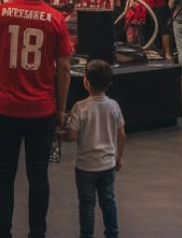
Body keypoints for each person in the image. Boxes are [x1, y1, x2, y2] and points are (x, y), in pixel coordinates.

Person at [0, 0, 72, 238]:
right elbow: (65, 68)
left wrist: (3, 78)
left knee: (4, 176)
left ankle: (2, 232)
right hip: (41, 109)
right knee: (39, 176)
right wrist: (61, 109)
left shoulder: (2, 12)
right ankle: (37, 232)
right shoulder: (56, 18)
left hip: (6, 107)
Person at [63, 59, 125, 238]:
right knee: (108, 201)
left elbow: (72, 136)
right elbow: (121, 134)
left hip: (85, 166)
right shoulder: (114, 106)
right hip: (107, 164)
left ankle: (87, 234)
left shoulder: (79, 108)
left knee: (86, 204)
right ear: (109, 84)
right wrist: (119, 157)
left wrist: (63, 133)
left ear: (85, 82)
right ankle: (112, 233)